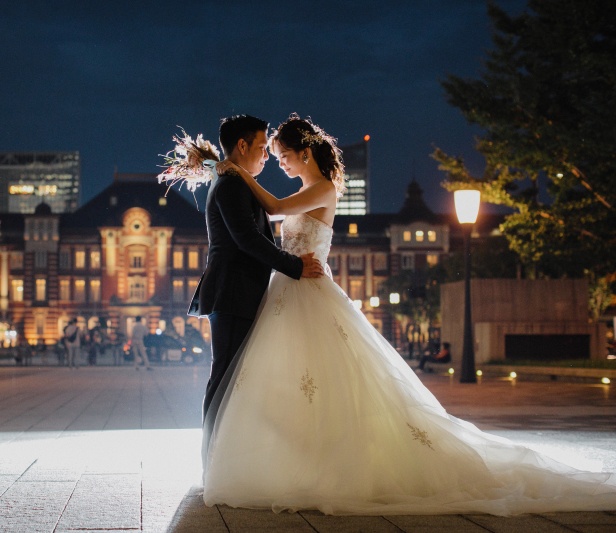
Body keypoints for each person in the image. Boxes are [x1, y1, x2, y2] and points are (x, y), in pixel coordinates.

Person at [199, 114, 616, 515]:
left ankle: (308, 461)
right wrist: (227, 170)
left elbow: (269, 206)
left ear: (304, 154)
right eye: (268, 151)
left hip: (304, 287)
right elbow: (268, 216)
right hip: (288, 288)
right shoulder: (286, 190)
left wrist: (232, 170)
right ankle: (278, 458)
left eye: (283, 154)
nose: (277, 160)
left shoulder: (323, 189)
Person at [183, 114, 324, 424]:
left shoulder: (233, 180)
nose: (266, 156)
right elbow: (247, 239)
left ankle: (220, 449)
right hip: (233, 292)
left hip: (238, 292)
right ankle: (213, 450)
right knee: (225, 375)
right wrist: (296, 266)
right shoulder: (231, 184)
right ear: (243, 145)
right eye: (262, 148)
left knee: (231, 375)